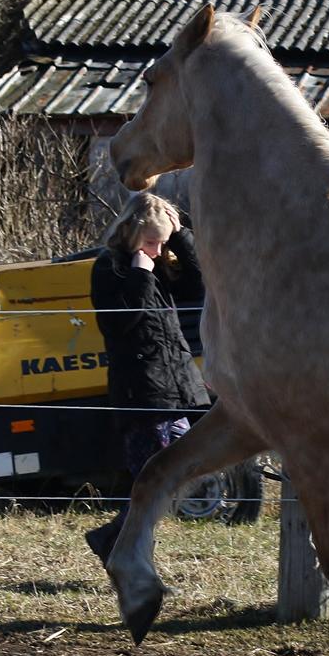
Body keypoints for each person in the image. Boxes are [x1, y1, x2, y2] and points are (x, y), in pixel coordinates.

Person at [84, 192, 211, 566]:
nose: (157, 251)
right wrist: (140, 273)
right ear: (132, 232)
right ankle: (126, 551)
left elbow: (196, 288)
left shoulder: (159, 266)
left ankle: (113, 540)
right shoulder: (110, 268)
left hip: (174, 390)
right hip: (142, 393)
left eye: (162, 243)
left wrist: (179, 236)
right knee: (153, 483)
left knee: (178, 474)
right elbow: (119, 322)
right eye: (152, 242)